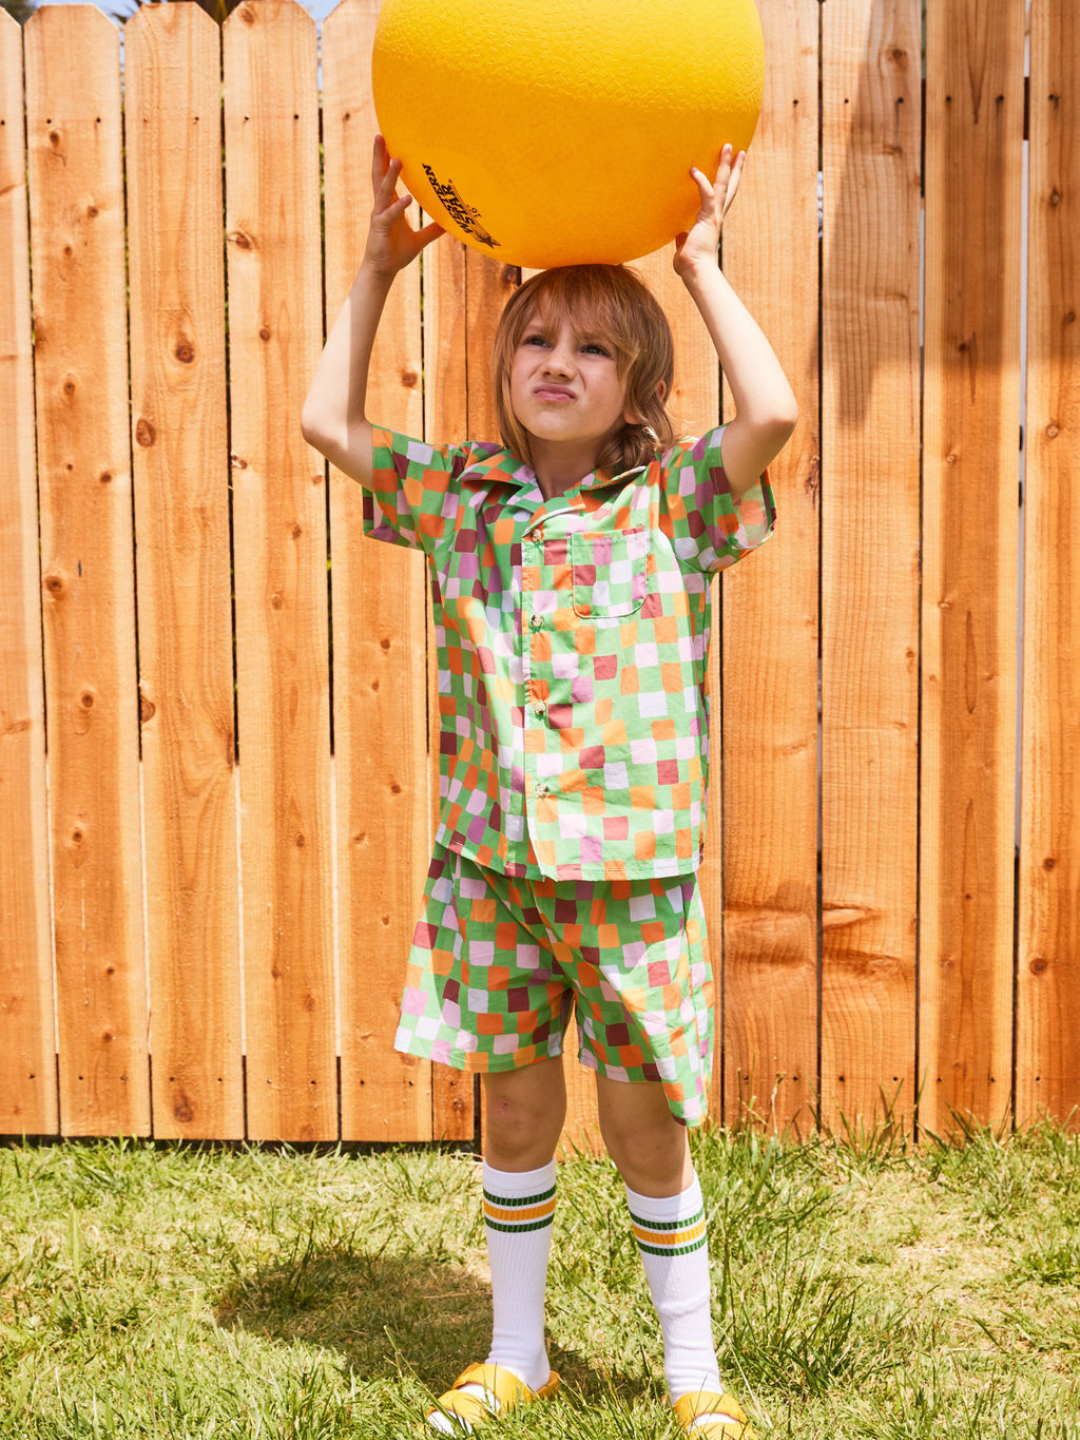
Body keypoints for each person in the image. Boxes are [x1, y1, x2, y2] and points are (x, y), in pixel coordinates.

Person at [301, 134, 797, 1439]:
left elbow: (774, 415)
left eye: (590, 349)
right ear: (505, 369)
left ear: (636, 389)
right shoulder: (461, 496)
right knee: (516, 1115)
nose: (555, 365)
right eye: (536, 343)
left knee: (645, 1136)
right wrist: (376, 263)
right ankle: (519, 1352)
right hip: (493, 876)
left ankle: (694, 1379)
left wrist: (698, 267)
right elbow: (327, 425)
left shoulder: (673, 503)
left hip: (632, 880)